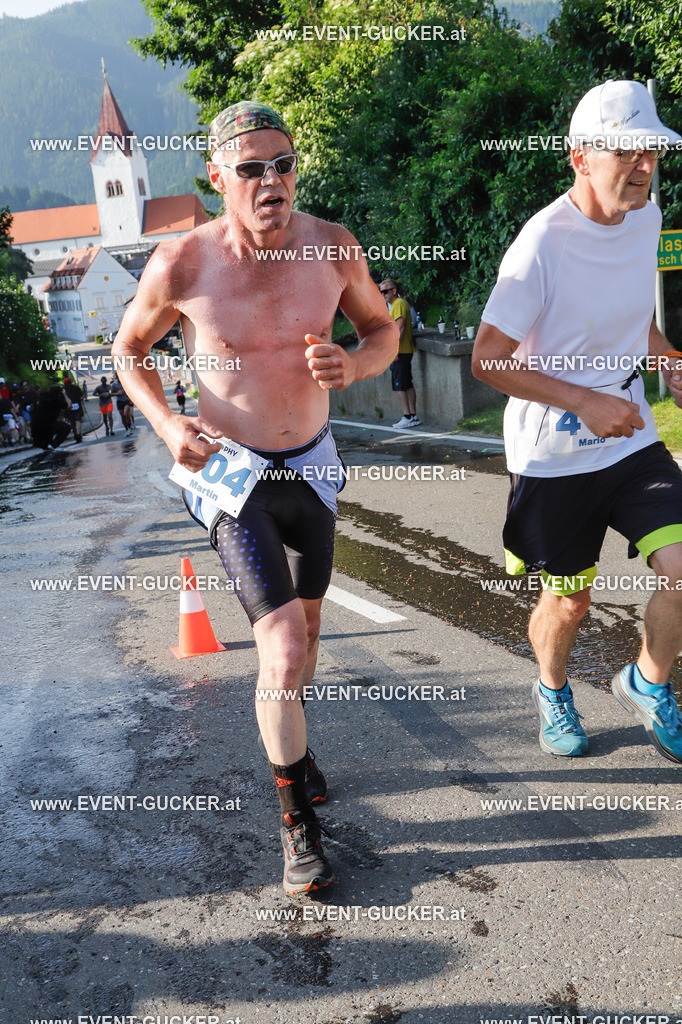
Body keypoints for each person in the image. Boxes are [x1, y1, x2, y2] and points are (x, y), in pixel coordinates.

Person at [112, 100, 398, 892]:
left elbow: (381, 331)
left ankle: (293, 751)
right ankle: (297, 827)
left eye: (284, 165)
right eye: (251, 170)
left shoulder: (333, 248)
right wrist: (169, 426)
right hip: (233, 478)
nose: (272, 182)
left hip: (310, 467)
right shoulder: (182, 265)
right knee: (278, 647)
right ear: (218, 179)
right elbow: (127, 351)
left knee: (305, 637)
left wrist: (357, 364)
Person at [472, 79, 682, 764]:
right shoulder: (541, 245)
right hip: (555, 452)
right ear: (579, 158)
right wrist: (585, 401)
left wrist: (669, 358)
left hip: (632, 437)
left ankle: (647, 683)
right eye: (626, 151)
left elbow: (632, 317)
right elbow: (487, 361)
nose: (643, 167)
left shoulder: (647, 217)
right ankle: (553, 688)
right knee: (571, 603)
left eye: (650, 152)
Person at [380, 279, 420, 428]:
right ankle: (413, 415)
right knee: (407, 383)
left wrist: (394, 350)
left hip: (401, 351)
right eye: (381, 292)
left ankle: (407, 415)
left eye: (385, 291)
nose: (383, 294)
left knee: (399, 386)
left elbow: (400, 328)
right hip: (404, 350)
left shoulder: (398, 304)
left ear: (394, 291)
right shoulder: (397, 305)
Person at [31, 385, 71, 450]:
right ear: (59, 393)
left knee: (45, 441)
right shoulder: (57, 400)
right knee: (66, 428)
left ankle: (47, 447)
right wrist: (64, 394)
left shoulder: (43, 396)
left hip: (35, 425)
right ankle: (54, 444)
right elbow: (68, 405)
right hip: (48, 425)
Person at [63, 377, 85, 443]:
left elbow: (82, 395)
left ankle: (78, 434)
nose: (67, 385)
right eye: (66, 383)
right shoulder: (63, 390)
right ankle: (76, 434)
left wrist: (81, 399)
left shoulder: (76, 388)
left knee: (78, 419)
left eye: (68, 383)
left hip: (77, 406)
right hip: (69, 409)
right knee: (72, 421)